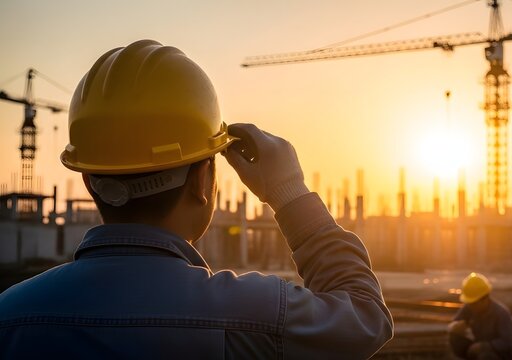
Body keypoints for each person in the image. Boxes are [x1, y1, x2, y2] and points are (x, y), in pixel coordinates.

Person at [0, 40, 393, 359]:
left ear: (88, 180)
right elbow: (366, 318)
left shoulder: (11, 315)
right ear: (202, 181)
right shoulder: (249, 312)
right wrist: (290, 194)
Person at [448, 272, 512, 360]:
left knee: (485, 356)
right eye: (469, 303)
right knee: (454, 337)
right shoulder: (470, 307)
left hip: (498, 355)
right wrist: (455, 326)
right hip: (479, 350)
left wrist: (484, 346)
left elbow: (506, 342)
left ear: (484, 299)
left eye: (474, 304)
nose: (471, 306)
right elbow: (453, 324)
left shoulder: (501, 314)